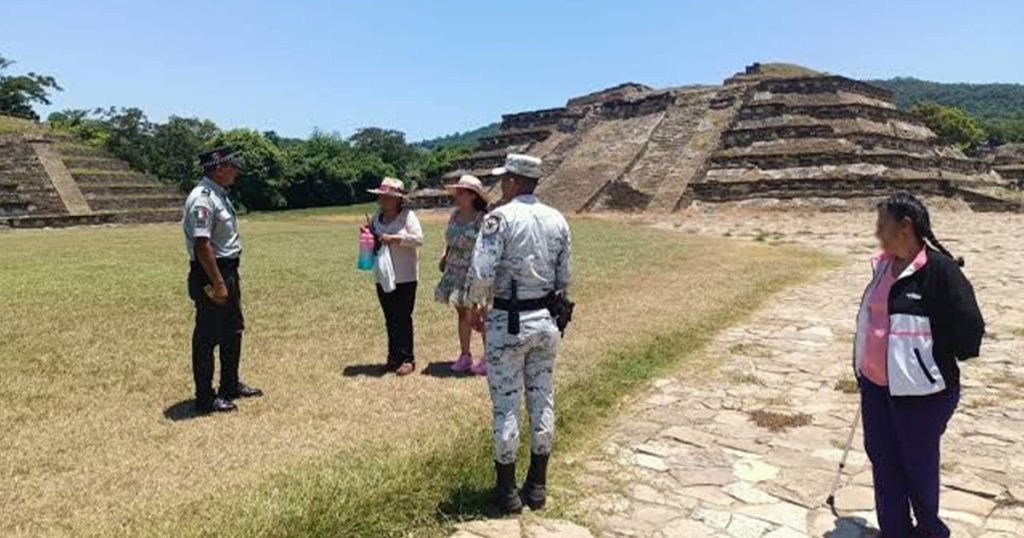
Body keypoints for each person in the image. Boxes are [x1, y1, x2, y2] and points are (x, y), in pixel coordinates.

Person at [853, 192, 984, 537]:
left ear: (905, 228)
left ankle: (929, 531)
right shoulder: (881, 265)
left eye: (883, 225)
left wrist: (926, 358)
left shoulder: (940, 271)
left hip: (922, 393)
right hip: (875, 387)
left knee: (917, 464)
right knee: (883, 460)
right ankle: (895, 529)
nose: (878, 233)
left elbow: (969, 329)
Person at [467, 154, 572, 514]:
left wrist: (477, 307)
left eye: (504, 180)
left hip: (508, 321)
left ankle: (508, 491)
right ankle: (538, 485)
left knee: (506, 406)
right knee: (543, 399)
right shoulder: (557, 219)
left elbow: (481, 272)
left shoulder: (500, 218)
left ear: (513, 181)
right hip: (546, 319)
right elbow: (565, 278)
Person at [182, 146, 263, 414]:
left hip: (226, 270)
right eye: (233, 167)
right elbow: (202, 244)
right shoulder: (203, 198)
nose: (236, 172)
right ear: (218, 167)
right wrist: (218, 283)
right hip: (211, 272)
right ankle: (205, 397)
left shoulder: (219, 195)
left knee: (232, 331)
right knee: (207, 336)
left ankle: (230, 384)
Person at [367, 177, 423, 376]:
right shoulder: (376, 217)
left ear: (397, 199)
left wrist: (395, 239)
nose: (382, 199)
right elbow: (374, 240)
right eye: (381, 196)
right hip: (382, 275)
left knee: (403, 317)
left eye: (386, 196)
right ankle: (393, 357)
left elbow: (418, 239)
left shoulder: (407, 216)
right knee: (390, 317)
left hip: (405, 275)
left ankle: (407, 358)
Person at [436, 175, 490, 375]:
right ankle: (465, 355)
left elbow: (487, 247)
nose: (456, 196)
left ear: (472, 195)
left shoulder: (482, 219)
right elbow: (450, 240)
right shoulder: (455, 215)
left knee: (481, 314)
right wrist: (445, 256)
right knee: (462, 312)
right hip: (454, 270)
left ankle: (488, 357)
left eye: (460, 192)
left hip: (474, 271)